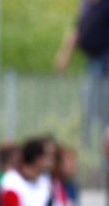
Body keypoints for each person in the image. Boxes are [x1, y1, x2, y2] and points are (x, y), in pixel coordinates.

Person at [54, 0, 109, 140]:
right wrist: (64, 55)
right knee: (89, 102)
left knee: (100, 104)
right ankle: (87, 143)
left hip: (103, 60)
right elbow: (76, 30)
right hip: (92, 60)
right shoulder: (85, 5)